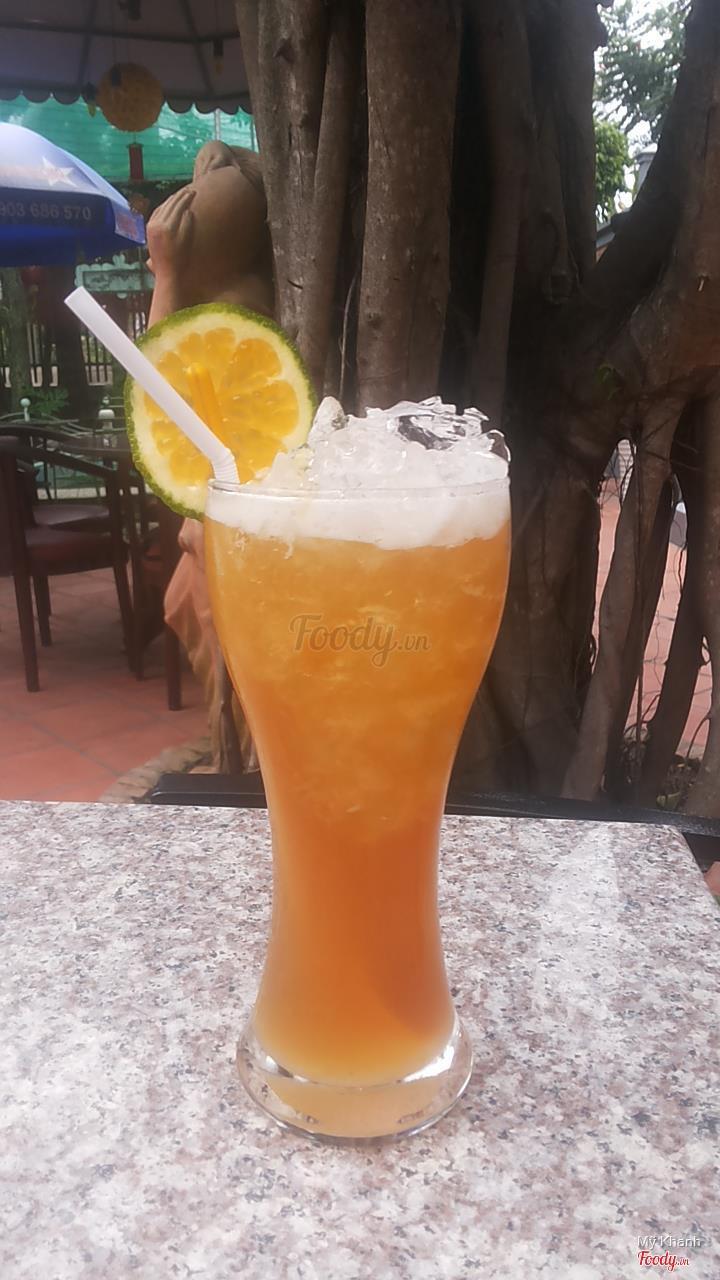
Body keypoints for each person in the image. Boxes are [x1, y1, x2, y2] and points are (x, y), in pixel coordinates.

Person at [146, 141, 274, 769]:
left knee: (238, 656)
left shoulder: (239, 303)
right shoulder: (229, 293)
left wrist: (167, 277)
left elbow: (157, 391)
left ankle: (246, 768)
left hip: (240, 520)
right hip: (214, 510)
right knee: (195, 617)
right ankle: (238, 763)